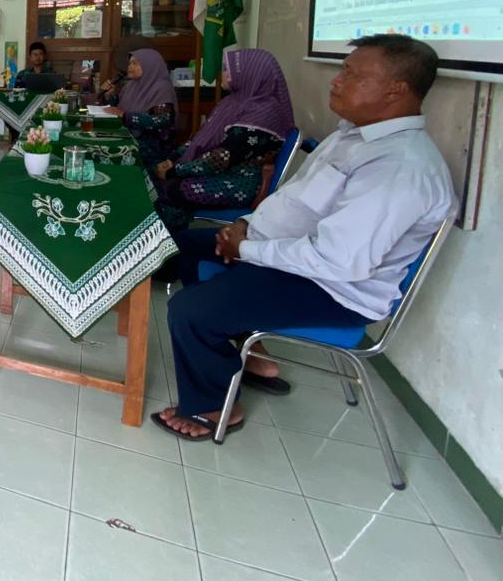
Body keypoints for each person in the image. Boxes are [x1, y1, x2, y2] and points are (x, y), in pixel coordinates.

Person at [153, 35, 454, 441]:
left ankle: (213, 406)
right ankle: (244, 351)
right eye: (343, 70)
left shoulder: (400, 167)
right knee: (178, 247)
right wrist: (244, 227)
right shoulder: (351, 136)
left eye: (352, 74)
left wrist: (247, 249)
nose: (337, 81)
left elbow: (340, 260)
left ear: (395, 90)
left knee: (190, 309)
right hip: (284, 255)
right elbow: (292, 204)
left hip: (330, 288)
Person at [153, 49, 295, 231]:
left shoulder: (264, 111)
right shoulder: (232, 102)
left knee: (171, 190)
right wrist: (173, 159)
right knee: (155, 179)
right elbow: (199, 139)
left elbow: (223, 157)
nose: (223, 74)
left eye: (228, 69)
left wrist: (175, 171)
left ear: (249, 73)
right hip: (217, 170)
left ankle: (172, 242)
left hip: (240, 181)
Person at [101, 48, 177, 169]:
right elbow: (119, 109)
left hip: (151, 148)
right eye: (130, 63)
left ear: (149, 65)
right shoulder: (130, 85)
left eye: (135, 63)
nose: (130, 67)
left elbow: (161, 120)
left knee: (104, 154)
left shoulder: (161, 87)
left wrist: (125, 116)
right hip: (128, 137)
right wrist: (109, 96)